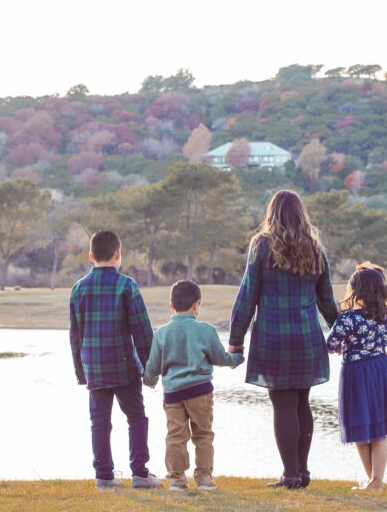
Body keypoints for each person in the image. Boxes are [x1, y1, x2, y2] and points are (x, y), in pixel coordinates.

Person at [229, 189, 339, 490]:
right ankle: (302, 473)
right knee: (302, 403)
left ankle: (290, 475)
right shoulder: (315, 248)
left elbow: (247, 295)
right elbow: (327, 302)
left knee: (283, 406)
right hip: (306, 337)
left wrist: (235, 339)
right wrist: (343, 333)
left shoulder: (262, 245)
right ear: (301, 213)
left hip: (273, 338)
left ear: (272, 213)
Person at [69, 230, 162, 490]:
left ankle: (104, 477)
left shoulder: (78, 289)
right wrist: (150, 368)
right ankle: (140, 474)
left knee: (99, 421)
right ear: (118, 254)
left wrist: (80, 371)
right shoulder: (127, 285)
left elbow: (75, 336)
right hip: (124, 365)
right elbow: (142, 331)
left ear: (90, 256)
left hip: (94, 367)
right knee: (136, 417)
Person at [326, 266, 387, 491]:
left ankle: (374, 480)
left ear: (357, 290)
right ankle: (375, 481)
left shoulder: (348, 318)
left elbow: (330, 346)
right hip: (382, 369)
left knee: (359, 426)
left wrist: (343, 344)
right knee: (378, 428)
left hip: (356, 372)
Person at [144, 280, 244, 492]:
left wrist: (149, 381)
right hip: (200, 391)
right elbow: (220, 358)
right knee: (203, 434)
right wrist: (237, 358)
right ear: (197, 304)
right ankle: (204, 478)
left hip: (172, 394)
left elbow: (153, 365)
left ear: (171, 305)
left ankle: (177, 480)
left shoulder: (161, 333)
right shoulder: (206, 330)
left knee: (176, 436)